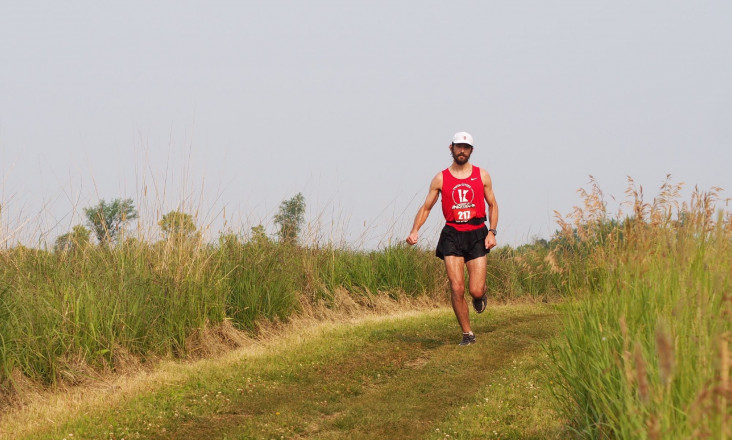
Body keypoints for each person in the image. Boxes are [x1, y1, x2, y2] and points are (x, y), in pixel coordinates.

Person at [406, 131, 499, 346]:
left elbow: (493, 204)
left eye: (466, 148)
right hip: (452, 234)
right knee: (457, 287)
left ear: (471, 151)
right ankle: (467, 334)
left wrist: (492, 232)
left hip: (477, 233)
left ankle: (479, 296)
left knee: (475, 289)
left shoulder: (482, 175)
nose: (462, 151)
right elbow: (427, 207)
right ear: (451, 148)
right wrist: (415, 230)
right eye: (459, 147)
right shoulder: (441, 178)